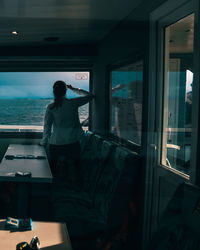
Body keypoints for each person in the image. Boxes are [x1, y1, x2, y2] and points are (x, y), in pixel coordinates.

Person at [40, 80, 94, 181]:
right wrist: (74, 89)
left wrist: (44, 143)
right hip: (72, 143)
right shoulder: (73, 103)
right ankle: (73, 190)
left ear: (54, 92)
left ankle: (55, 192)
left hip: (56, 144)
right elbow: (90, 96)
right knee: (74, 171)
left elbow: (47, 127)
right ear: (65, 91)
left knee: (53, 172)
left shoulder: (51, 107)